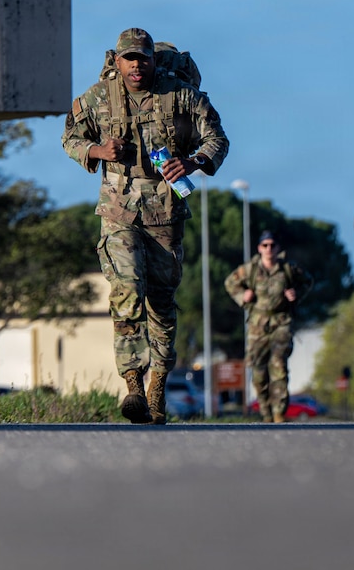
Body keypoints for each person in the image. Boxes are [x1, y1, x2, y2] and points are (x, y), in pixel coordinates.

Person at [62, 28, 229, 424]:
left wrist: (193, 162)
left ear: (154, 59)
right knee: (127, 289)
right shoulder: (99, 97)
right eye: (129, 59)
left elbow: (217, 138)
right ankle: (133, 383)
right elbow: (70, 136)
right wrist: (97, 150)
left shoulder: (182, 95)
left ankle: (157, 389)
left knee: (161, 305)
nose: (137, 65)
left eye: (144, 58)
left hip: (165, 214)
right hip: (118, 213)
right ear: (117, 61)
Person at [224, 230, 313, 423]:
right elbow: (230, 283)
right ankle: (265, 412)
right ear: (259, 248)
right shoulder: (250, 269)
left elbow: (307, 281)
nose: (269, 249)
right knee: (258, 371)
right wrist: (243, 296)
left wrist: (295, 295)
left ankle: (280, 412)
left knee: (279, 365)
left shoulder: (288, 268)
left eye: (272, 245)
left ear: (278, 248)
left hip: (281, 322)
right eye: (265, 245)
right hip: (257, 325)